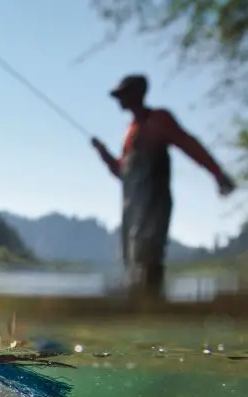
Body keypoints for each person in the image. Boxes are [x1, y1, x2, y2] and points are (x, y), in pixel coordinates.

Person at [90, 74, 236, 299]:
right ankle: (140, 305)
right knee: (133, 260)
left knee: (148, 258)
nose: (118, 98)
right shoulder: (131, 131)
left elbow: (189, 145)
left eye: (122, 93)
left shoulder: (159, 119)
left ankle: (152, 303)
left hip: (154, 204)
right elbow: (123, 173)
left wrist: (217, 174)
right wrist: (103, 154)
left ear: (138, 93)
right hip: (132, 209)